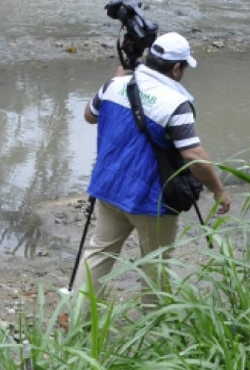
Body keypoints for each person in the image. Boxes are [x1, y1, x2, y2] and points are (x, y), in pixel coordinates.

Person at [75, 31, 231, 305]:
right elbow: (193, 154)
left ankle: (78, 317)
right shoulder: (175, 103)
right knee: (155, 265)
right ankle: (156, 329)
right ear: (176, 68)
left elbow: (89, 115)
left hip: (108, 189)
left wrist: (118, 78)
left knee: (98, 254)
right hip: (151, 201)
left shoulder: (114, 84)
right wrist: (219, 190)